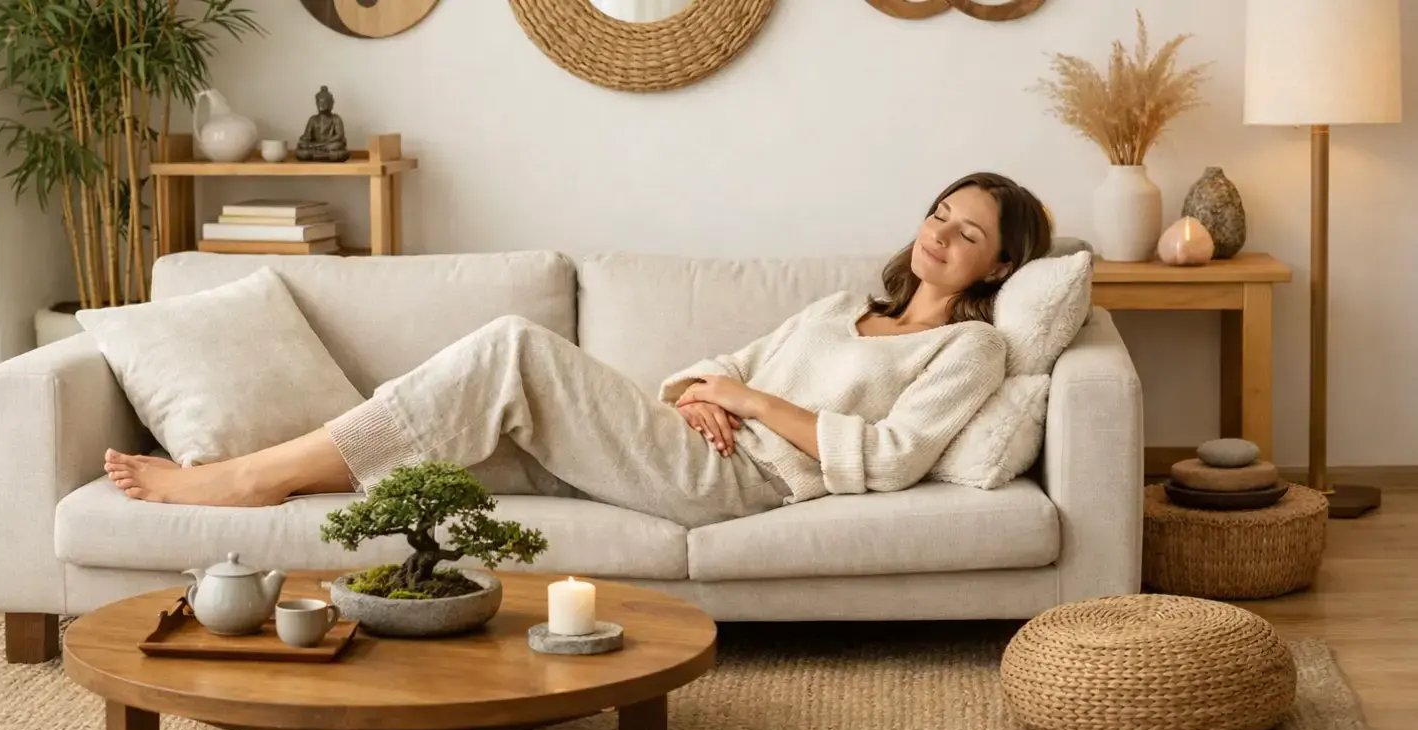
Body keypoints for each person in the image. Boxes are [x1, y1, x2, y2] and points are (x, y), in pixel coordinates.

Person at [104, 171, 1052, 529]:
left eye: (967, 232)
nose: (940, 234)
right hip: (689, 439)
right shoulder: (846, 304)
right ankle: (281, 476)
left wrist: (748, 401)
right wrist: (702, 394)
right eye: (938, 212)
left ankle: (245, 481)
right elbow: (719, 359)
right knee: (446, 436)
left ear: (1000, 261)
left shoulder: (967, 350)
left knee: (514, 347)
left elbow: (888, 460)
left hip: (746, 480)